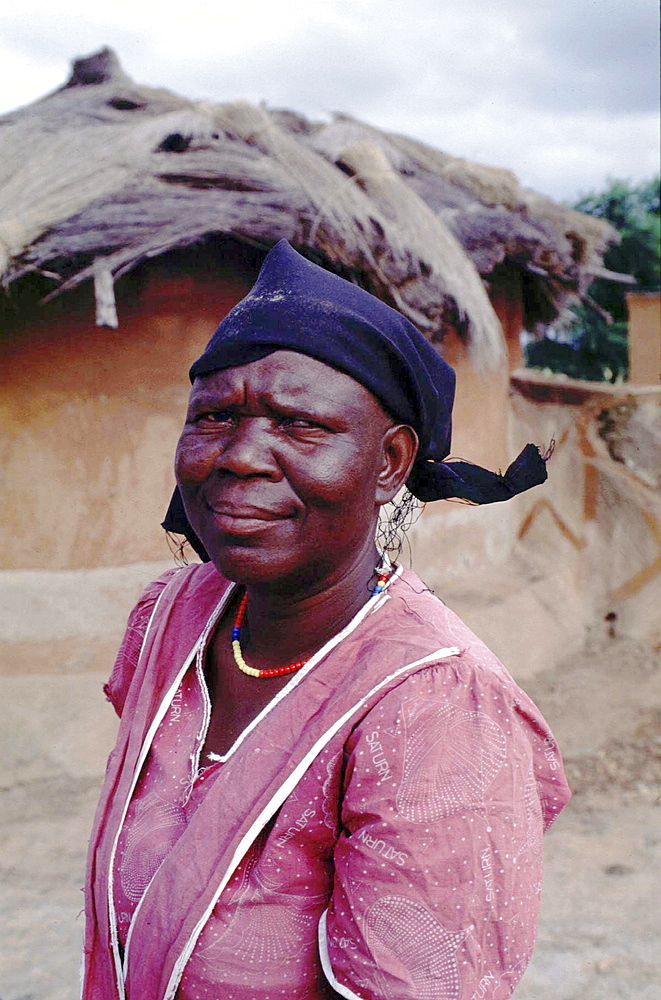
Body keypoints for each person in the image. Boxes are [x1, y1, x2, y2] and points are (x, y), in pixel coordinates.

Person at [82, 240, 570, 1000]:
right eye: (213, 416)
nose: (240, 455)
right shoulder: (172, 618)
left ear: (389, 463)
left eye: (299, 424)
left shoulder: (434, 711)